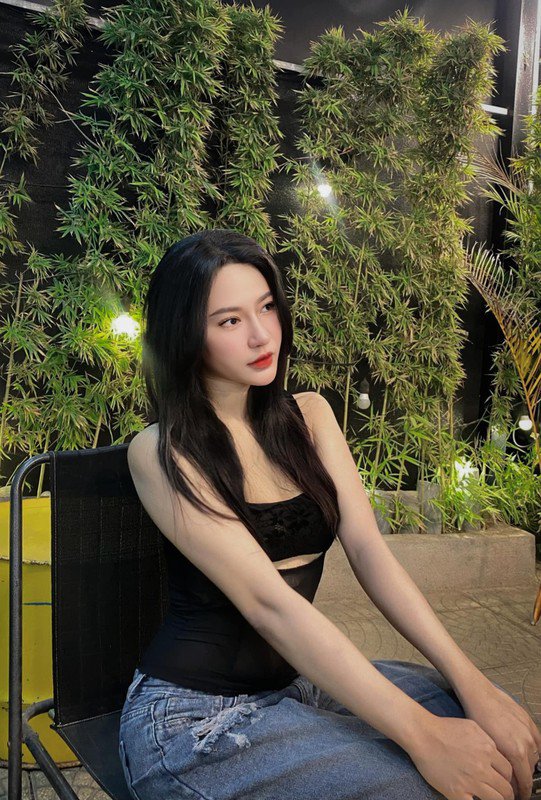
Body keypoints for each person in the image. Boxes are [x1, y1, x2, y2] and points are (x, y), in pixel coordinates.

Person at [119, 228, 541, 800]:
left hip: (297, 688)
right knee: (422, 784)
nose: (261, 334)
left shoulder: (310, 416)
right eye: (229, 320)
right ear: (186, 334)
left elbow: (369, 552)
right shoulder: (162, 450)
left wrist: (474, 683)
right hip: (193, 723)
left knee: (500, 729)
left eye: (267, 307)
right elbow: (271, 606)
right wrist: (424, 737)